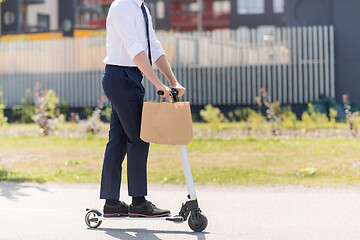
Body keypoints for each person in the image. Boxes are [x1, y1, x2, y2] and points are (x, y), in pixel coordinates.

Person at [99, 0, 186, 217]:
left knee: (118, 139)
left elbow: (153, 47)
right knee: (139, 136)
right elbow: (135, 49)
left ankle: (112, 203)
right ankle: (138, 202)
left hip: (130, 78)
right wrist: (159, 85)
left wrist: (173, 82)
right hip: (120, 77)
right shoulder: (121, 7)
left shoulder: (142, 8)